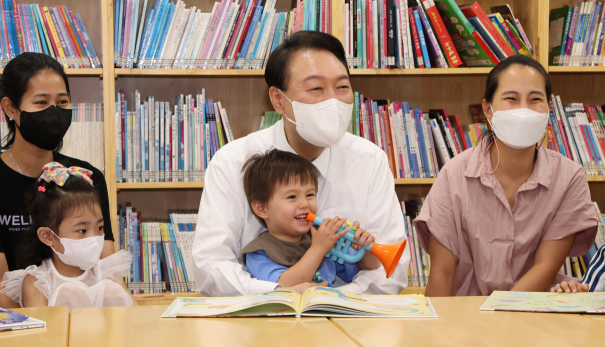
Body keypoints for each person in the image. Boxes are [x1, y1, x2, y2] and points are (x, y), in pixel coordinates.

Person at [192, 31, 409, 296]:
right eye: (316, 88)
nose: (333, 101)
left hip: (350, 320)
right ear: (278, 100)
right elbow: (211, 268)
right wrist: (281, 293)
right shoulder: (233, 162)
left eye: (342, 87)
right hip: (260, 321)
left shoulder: (369, 159)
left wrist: (335, 299)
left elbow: (390, 272)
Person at [415, 55, 598, 297]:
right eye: (511, 99)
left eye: (535, 100)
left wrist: (495, 318)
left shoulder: (569, 177)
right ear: (488, 110)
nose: (524, 109)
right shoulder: (454, 174)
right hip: (464, 320)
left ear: (549, 110)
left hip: (534, 317)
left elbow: (545, 268)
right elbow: (442, 272)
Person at [0, 53, 115, 308]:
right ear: (10, 107)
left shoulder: (86, 177)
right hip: (13, 325)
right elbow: (1, 293)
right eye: (41, 102)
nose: (54, 112)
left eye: (62, 101)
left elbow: (108, 270)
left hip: (86, 319)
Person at [0, 162, 136, 309]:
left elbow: (135, 316)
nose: (94, 238)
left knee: (111, 291)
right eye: (82, 231)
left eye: (99, 228)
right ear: (48, 236)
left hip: (109, 332)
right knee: (69, 293)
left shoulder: (107, 273)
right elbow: (42, 330)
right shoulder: (38, 282)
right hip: (59, 332)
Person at [240, 149, 379, 287]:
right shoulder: (259, 252)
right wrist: (318, 249)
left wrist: (364, 248)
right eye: (292, 197)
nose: (305, 204)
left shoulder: (322, 236)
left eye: (310, 195)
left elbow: (367, 268)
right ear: (261, 209)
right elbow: (282, 287)